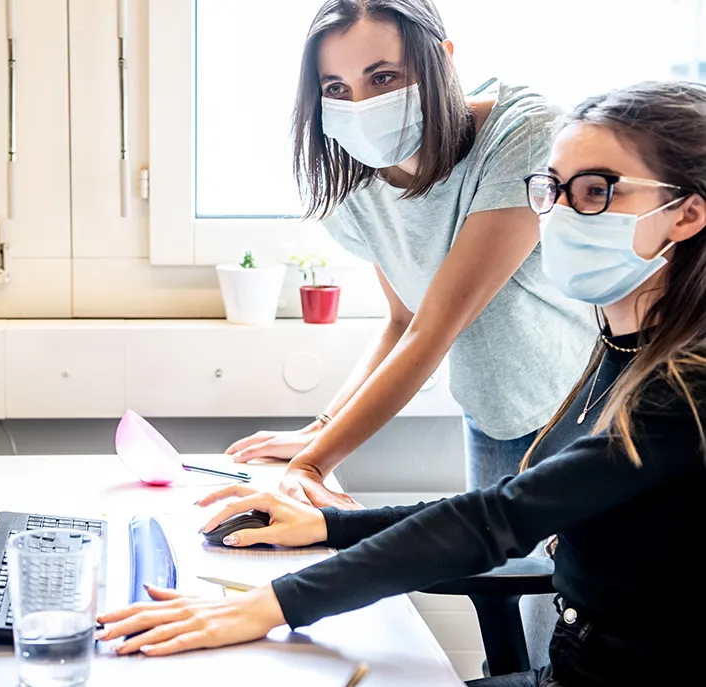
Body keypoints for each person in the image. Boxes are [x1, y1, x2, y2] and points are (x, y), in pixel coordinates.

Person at [97, 80, 706, 687]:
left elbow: (498, 518)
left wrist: (265, 606)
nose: (563, 214)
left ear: (687, 212)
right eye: (553, 189)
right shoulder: (624, 346)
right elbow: (515, 503)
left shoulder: (687, 388)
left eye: (597, 191)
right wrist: (327, 527)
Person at [226, 0, 596, 501]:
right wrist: (320, 427)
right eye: (337, 88)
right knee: (489, 573)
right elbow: (403, 319)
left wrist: (313, 465)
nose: (359, 106)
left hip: (582, 407)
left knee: (568, 575)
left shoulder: (524, 136)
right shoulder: (357, 181)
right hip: (493, 413)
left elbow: (435, 327)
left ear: (441, 60)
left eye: (382, 78)